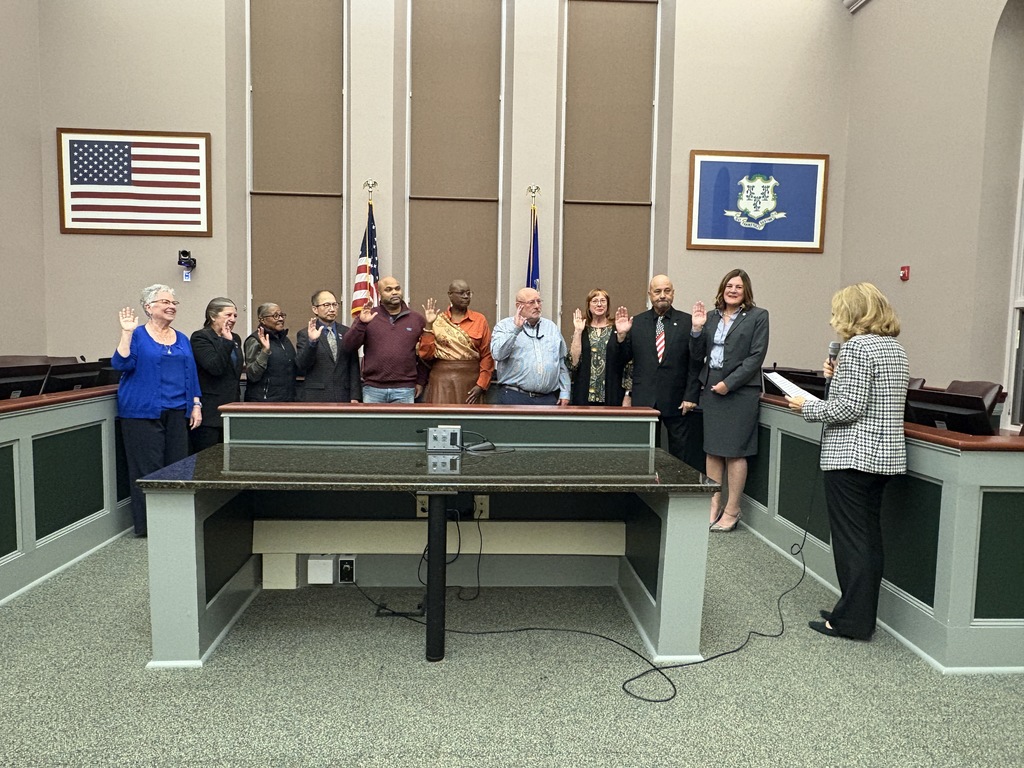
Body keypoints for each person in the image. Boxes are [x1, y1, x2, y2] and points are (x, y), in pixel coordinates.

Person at [786, 282, 908, 641]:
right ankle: (854, 612)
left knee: (852, 543)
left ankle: (852, 621)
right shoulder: (894, 348)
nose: (833, 319)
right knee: (867, 540)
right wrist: (834, 377)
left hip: (853, 457)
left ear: (853, 313)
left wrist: (805, 405)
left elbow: (847, 409)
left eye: (838, 311)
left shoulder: (856, 347)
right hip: (883, 458)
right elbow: (868, 400)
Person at [112, 284, 202, 536]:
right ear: (149, 307)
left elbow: (191, 374)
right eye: (164, 301)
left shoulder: (182, 338)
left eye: (174, 302)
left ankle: (174, 523)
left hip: (177, 412)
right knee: (147, 471)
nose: (171, 305)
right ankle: (149, 527)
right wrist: (126, 333)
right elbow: (121, 363)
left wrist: (196, 404)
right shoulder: (138, 335)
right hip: (141, 413)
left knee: (177, 468)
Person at [690, 269, 770, 531]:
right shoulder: (711, 317)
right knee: (712, 450)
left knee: (735, 453)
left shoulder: (758, 316)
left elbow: (756, 357)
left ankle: (733, 509)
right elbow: (696, 354)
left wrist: (730, 383)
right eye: (729, 286)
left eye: (738, 286)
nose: (733, 290)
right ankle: (713, 504)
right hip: (712, 389)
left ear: (746, 291)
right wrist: (697, 329)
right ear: (722, 289)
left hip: (740, 392)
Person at [616, 274, 704, 469]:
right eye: (657, 291)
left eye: (667, 290)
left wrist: (691, 395)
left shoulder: (688, 322)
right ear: (650, 294)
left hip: (678, 400)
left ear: (673, 293)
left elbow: (696, 362)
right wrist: (621, 336)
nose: (662, 295)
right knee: (644, 455)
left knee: (680, 456)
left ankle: (678, 493)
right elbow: (623, 360)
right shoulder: (636, 322)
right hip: (645, 400)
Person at [342, 276, 426, 403]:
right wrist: (361, 324)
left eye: (397, 288)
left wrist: (420, 381)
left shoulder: (416, 319)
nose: (394, 292)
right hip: (373, 388)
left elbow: (424, 356)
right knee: (374, 423)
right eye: (388, 289)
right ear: (379, 294)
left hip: (405, 389)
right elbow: (348, 346)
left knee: (403, 424)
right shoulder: (368, 316)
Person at [490, 288, 570, 405]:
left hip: (547, 399)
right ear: (519, 306)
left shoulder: (551, 328)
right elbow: (498, 354)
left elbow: (561, 362)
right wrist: (515, 330)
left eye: (539, 301)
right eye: (532, 302)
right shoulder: (504, 326)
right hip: (515, 397)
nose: (537, 306)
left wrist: (565, 392)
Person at [419, 279, 494, 404]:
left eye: (468, 293)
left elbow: (487, 355)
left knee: (470, 421)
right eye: (461, 293)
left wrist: (481, 384)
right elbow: (425, 355)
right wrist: (429, 326)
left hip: (471, 381)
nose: (466, 296)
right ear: (450, 295)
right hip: (442, 380)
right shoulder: (437, 321)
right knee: (442, 421)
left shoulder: (479, 319)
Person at [189, 297, 243, 453]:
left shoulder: (235, 338)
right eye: (228, 315)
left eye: (235, 316)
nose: (232, 319)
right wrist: (226, 342)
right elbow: (214, 367)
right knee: (207, 461)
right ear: (213, 316)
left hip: (231, 409)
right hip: (210, 413)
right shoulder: (201, 337)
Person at [296, 290, 362, 402]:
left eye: (334, 305)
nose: (332, 309)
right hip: (317, 396)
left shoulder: (347, 332)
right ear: (315, 309)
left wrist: (355, 396)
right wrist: (312, 342)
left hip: (343, 395)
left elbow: (353, 365)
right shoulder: (304, 334)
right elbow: (302, 365)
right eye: (326, 305)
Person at [568, 288, 627, 406]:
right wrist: (578, 332)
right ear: (588, 305)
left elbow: (626, 361)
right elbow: (573, 363)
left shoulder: (617, 328)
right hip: (583, 393)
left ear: (608, 305)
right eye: (595, 301)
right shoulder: (582, 329)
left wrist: (622, 335)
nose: (599, 304)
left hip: (613, 393)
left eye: (603, 301)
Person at [242, 302, 298, 402]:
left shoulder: (284, 340)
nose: (281, 319)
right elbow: (253, 375)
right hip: (263, 402)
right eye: (275, 316)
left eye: (282, 315)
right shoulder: (255, 340)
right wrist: (265, 351)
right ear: (262, 319)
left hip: (287, 400)